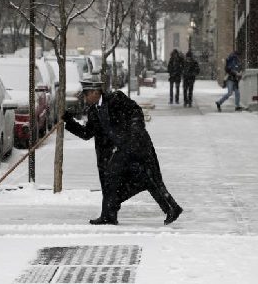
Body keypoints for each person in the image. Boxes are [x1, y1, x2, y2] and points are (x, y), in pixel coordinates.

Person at [62, 79, 183, 225]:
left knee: (151, 178)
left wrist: (134, 131)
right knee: (112, 182)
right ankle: (109, 215)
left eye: (86, 95)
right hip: (117, 152)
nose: (85, 98)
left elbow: (135, 111)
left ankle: (172, 208)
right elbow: (87, 133)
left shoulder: (116, 99)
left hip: (137, 146)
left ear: (95, 92)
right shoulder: (93, 112)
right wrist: (70, 122)